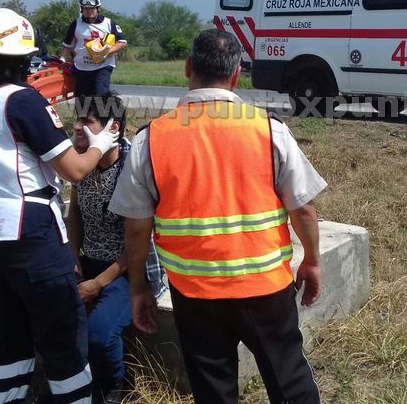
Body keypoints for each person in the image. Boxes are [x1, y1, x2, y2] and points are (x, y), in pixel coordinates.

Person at [109, 29, 327, 404]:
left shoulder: (151, 139)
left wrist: (138, 289)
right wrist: (312, 260)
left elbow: (136, 228)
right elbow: (303, 207)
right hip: (265, 288)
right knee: (289, 380)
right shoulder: (268, 130)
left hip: (195, 294)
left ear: (188, 68)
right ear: (237, 74)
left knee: (213, 391)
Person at [0, 7, 121, 404]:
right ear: (22, 60)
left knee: (7, 329)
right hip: (29, 234)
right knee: (62, 329)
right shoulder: (23, 101)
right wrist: (102, 141)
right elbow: (76, 170)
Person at [65, 93, 165, 404]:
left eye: (88, 121)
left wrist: (98, 284)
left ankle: (112, 389)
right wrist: (72, 258)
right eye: (77, 120)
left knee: (99, 334)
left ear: (113, 128)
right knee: (57, 320)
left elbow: (139, 242)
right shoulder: (82, 163)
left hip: (129, 271)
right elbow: (76, 212)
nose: (79, 128)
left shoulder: (132, 168)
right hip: (89, 262)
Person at [60, 0, 127, 96]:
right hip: (82, 68)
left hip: (103, 66)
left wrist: (106, 51)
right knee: (82, 102)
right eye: (86, 8)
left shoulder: (108, 23)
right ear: (82, 9)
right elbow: (67, 44)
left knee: (101, 96)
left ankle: (104, 112)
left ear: (98, 8)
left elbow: (122, 42)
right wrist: (62, 59)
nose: (89, 11)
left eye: (92, 8)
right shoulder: (76, 24)